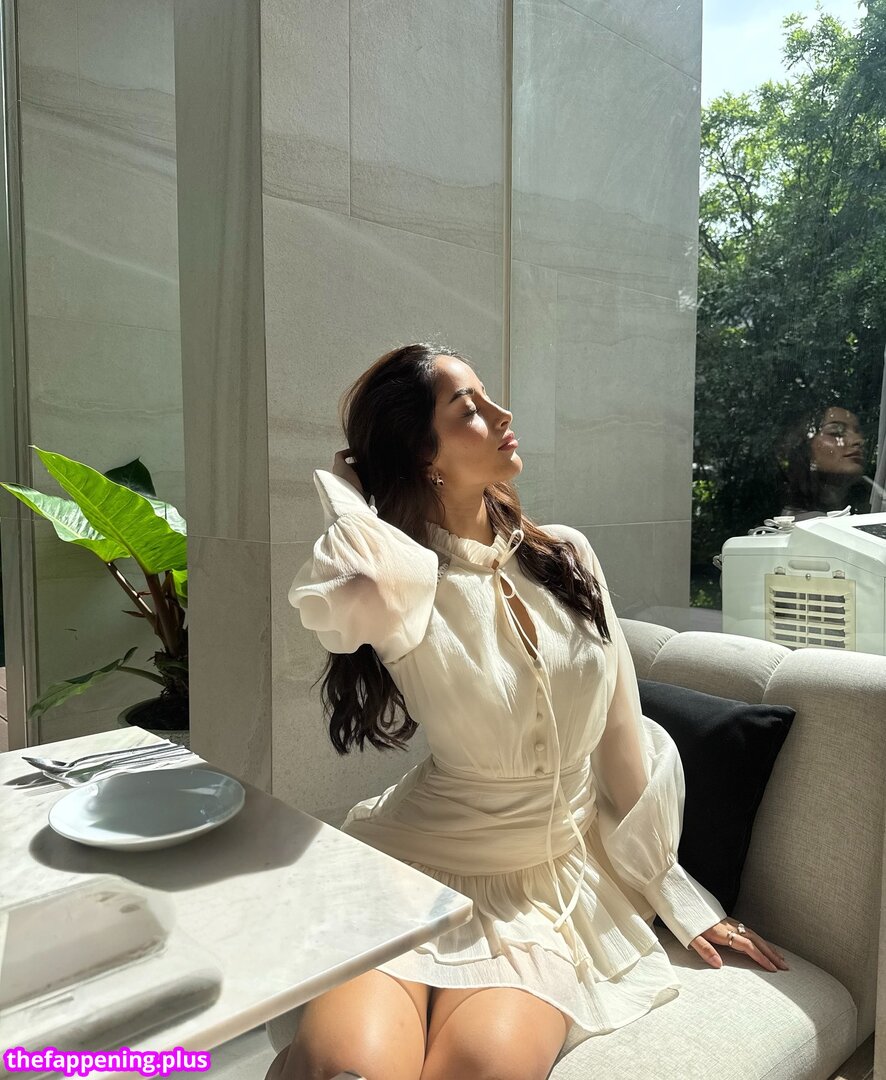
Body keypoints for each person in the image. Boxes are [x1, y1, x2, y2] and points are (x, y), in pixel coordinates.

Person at [267, 343, 788, 1080]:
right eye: (469, 409)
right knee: (346, 1070)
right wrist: (356, 492)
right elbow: (346, 588)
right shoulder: (402, 584)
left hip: (541, 895)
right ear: (423, 455)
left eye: (488, 397)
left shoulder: (567, 556)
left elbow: (619, 741)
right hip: (409, 869)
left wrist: (679, 895)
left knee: (483, 1069)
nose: (502, 413)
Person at [778, 406, 874, 520]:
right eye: (836, 433)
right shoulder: (788, 525)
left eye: (859, 433)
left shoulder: (876, 501)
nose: (858, 440)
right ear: (805, 447)